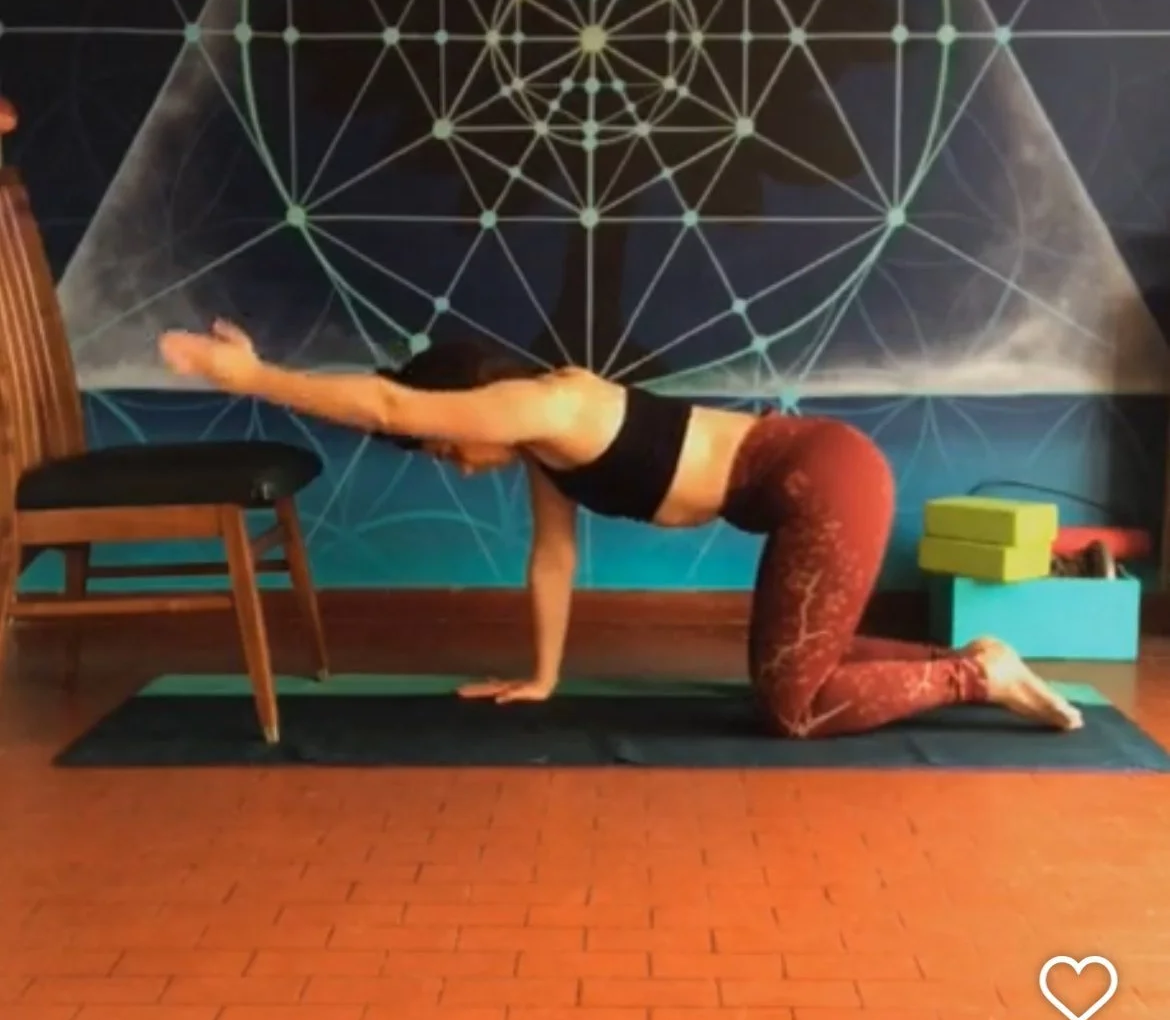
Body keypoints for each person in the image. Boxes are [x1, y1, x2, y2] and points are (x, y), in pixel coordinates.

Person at [158, 324, 1082, 737]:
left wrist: (255, 378)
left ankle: (973, 674)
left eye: (444, 445)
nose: (449, 459)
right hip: (811, 484)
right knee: (799, 668)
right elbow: (553, 556)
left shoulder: (543, 403)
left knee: (792, 707)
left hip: (822, 478)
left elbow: (393, 401)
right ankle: (974, 655)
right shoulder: (544, 442)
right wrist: (545, 677)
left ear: (463, 407)